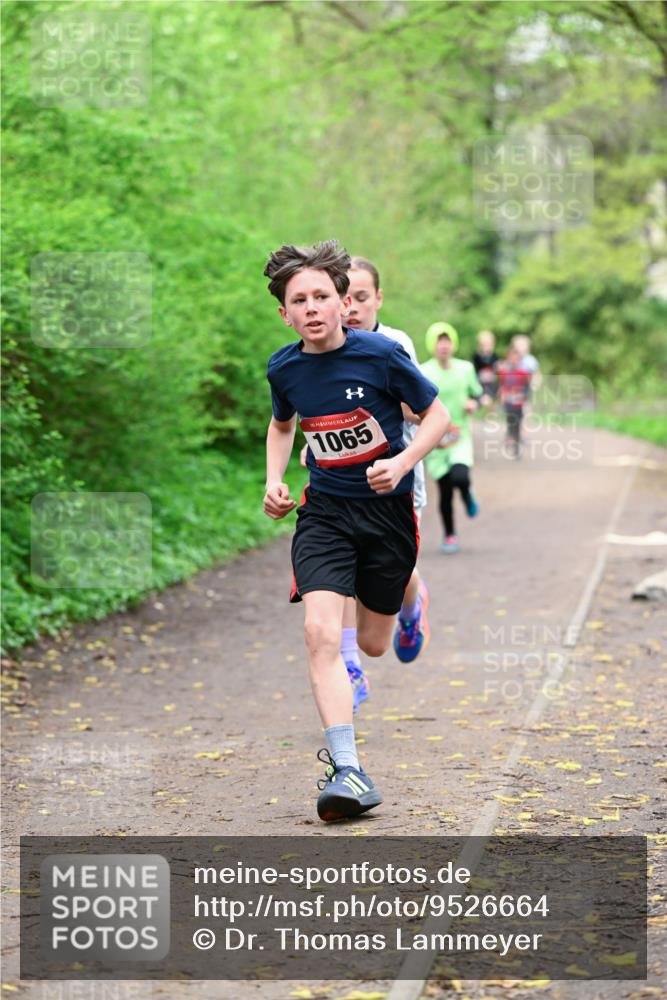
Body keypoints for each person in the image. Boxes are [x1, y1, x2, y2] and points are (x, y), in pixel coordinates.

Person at [263, 240, 449, 822]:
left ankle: (412, 603)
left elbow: (439, 417)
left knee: (371, 642)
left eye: (322, 295)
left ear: (343, 302)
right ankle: (347, 768)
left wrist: (403, 461)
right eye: (301, 300)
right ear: (285, 313)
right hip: (324, 514)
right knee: (320, 632)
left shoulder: (382, 355)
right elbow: (281, 424)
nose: (313, 307)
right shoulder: (284, 367)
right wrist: (273, 480)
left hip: (387, 513)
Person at [332, 256, 432, 710]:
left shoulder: (394, 343)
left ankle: (412, 606)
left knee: (395, 571)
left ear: (379, 298)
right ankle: (350, 669)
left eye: (362, 297)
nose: (352, 308)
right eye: (344, 298)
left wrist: (378, 405)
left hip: (398, 479)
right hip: (342, 484)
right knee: (346, 571)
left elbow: (421, 407)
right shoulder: (326, 345)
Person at [421, 322, 484, 554]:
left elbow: (477, 394)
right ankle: (449, 535)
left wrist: (473, 404)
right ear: (432, 345)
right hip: (436, 439)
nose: (444, 346)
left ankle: (467, 494)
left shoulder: (465, 368)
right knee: (445, 491)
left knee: (461, 476)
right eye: (439, 341)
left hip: (460, 434)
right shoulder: (423, 371)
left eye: (447, 341)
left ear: (453, 343)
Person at [498, 343, 531, 458]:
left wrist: (524, 396)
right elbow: (501, 385)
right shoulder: (504, 372)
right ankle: (509, 437)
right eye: (512, 356)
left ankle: (516, 448)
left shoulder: (523, 373)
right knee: (510, 423)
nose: (514, 359)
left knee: (517, 425)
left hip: (519, 404)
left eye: (516, 357)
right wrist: (502, 395)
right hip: (508, 403)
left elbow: (527, 387)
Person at [472, 330, 499, 402]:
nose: (486, 347)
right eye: (483, 344)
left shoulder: (495, 358)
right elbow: (474, 378)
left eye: (488, 344)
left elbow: (496, 377)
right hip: (480, 389)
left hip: (492, 389)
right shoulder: (475, 358)